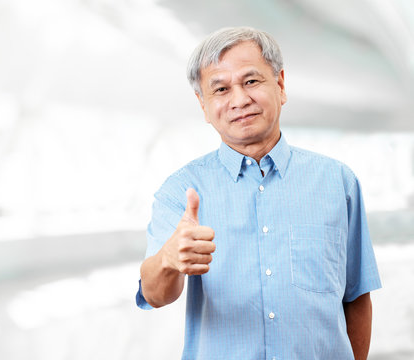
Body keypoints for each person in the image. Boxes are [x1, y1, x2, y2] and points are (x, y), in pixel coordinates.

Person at [136, 27, 381, 360]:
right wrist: (168, 259)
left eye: (251, 81)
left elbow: (356, 297)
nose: (239, 100)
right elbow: (154, 294)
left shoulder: (338, 182)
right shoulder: (180, 191)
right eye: (220, 89)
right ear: (204, 106)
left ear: (280, 85)